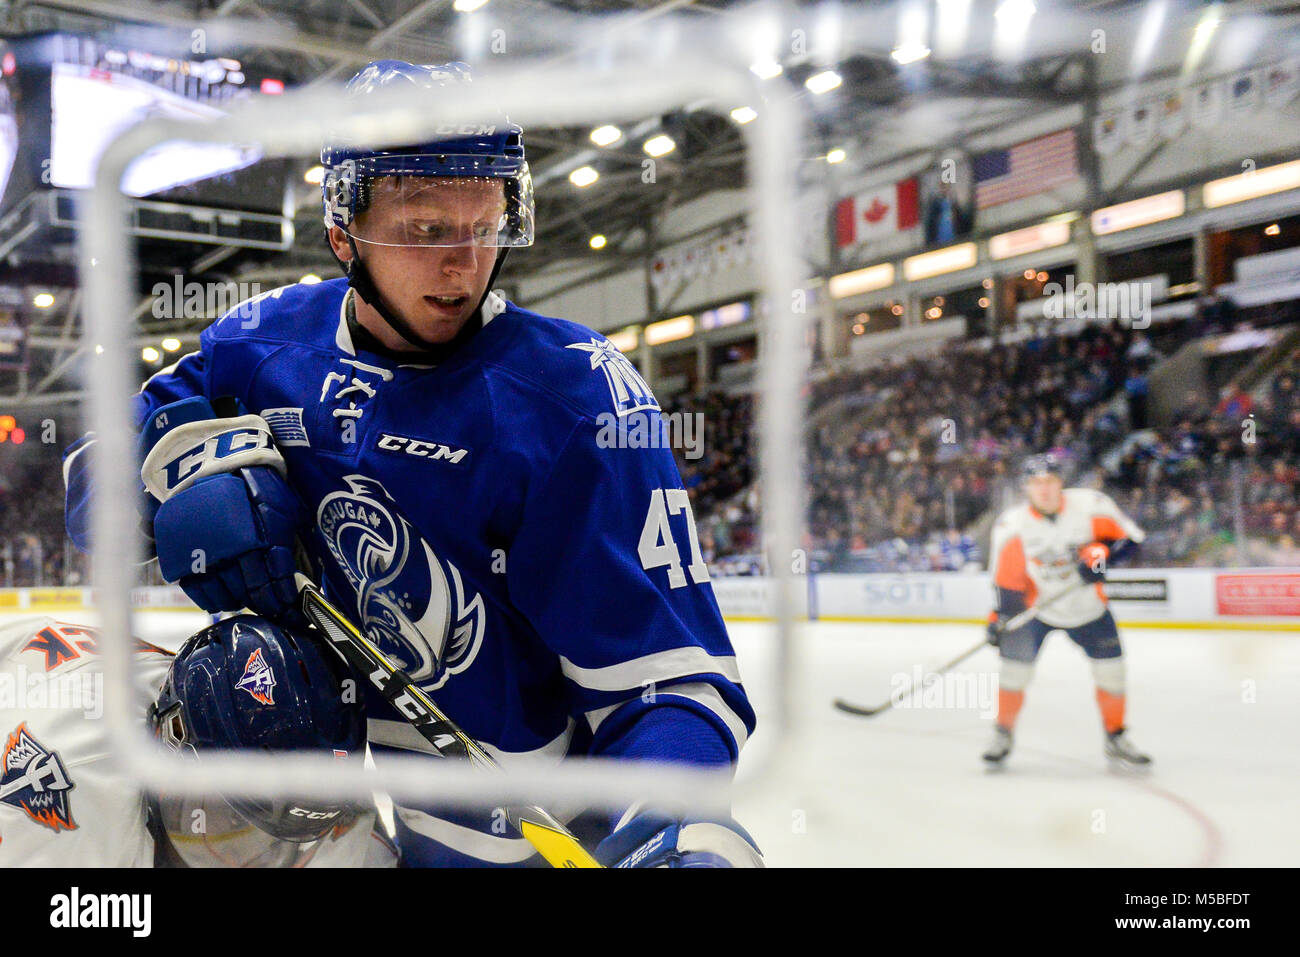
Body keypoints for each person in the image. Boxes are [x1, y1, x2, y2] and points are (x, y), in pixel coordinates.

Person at [63, 60, 759, 868]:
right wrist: (176, 477)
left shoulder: (579, 402)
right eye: (427, 229)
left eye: (486, 223)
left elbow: (670, 684)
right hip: (354, 825)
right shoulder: (259, 348)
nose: (464, 263)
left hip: (556, 837)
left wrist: (677, 823)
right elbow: (88, 488)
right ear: (343, 229)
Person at [0, 613, 394, 866]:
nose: (244, 861)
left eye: (281, 846)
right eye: (230, 816)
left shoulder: (319, 795)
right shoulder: (67, 804)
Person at [982, 454, 1151, 768]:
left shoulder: (1092, 506)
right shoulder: (1012, 526)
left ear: (1061, 482)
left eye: (1050, 481)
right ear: (1027, 488)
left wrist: (1102, 558)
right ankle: (1002, 733)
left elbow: (1132, 542)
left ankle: (1115, 737)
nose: (1044, 489)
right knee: (1014, 673)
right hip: (1038, 611)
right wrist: (1000, 619)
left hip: (1089, 608)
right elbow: (1007, 583)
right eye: (1036, 483)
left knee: (1112, 674)